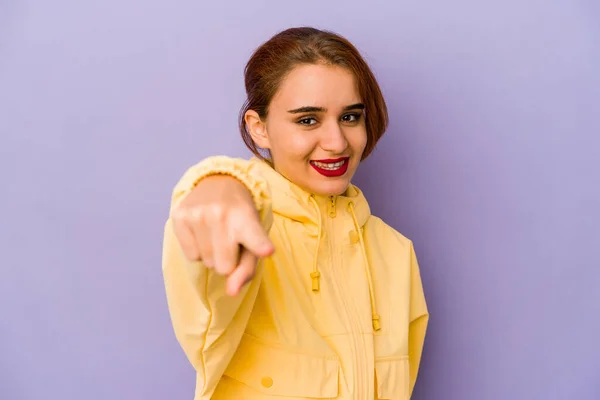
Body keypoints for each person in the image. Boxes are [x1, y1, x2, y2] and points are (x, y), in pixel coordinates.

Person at [162, 26, 429, 400]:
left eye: (350, 117)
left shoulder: (396, 252)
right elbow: (208, 232)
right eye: (308, 120)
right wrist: (216, 181)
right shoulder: (244, 227)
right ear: (259, 129)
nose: (337, 143)